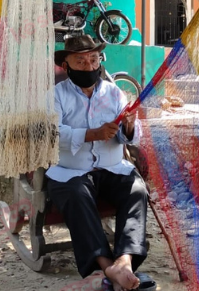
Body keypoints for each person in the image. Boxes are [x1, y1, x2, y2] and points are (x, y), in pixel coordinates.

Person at [49, 35, 149, 291]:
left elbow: (132, 134)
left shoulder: (114, 92)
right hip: (71, 171)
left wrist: (127, 127)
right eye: (80, 61)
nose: (88, 66)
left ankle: (124, 261)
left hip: (112, 167)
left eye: (93, 59)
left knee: (137, 190)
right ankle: (106, 265)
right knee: (76, 195)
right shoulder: (56, 95)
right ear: (67, 65)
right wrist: (91, 134)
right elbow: (50, 133)